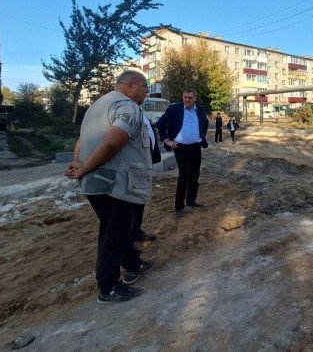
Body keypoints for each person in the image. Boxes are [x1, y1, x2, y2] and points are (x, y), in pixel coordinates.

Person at [65, 70, 154, 304]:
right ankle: (108, 287)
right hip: (116, 184)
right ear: (132, 86)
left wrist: (77, 162)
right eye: (144, 86)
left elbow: (82, 139)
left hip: (98, 183)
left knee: (123, 229)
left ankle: (134, 264)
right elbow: (112, 143)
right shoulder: (127, 107)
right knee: (113, 235)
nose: (147, 91)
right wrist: (82, 168)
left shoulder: (98, 105)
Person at [156, 88, 209, 218]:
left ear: (195, 98)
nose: (187, 100)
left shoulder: (201, 109)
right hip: (180, 147)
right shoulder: (174, 109)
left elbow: (205, 123)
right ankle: (179, 207)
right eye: (185, 97)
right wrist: (167, 140)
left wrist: (201, 136)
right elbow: (160, 124)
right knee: (184, 175)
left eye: (190, 98)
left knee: (194, 174)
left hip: (196, 146)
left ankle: (191, 200)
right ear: (182, 97)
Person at [132, 114, 160, 243]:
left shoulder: (140, 111)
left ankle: (136, 232)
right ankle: (129, 238)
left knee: (139, 200)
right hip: (134, 165)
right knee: (132, 202)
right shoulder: (127, 111)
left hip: (143, 163)